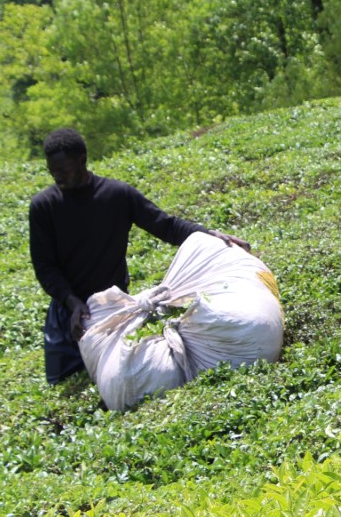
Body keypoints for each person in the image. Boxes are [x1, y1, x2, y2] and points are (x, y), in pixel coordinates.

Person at [29, 128, 250, 384]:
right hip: (68, 310)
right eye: (52, 171)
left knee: (114, 379)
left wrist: (209, 234)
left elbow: (166, 226)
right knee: (63, 381)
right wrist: (72, 302)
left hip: (112, 307)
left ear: (82, 160)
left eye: (64, 170)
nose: (58, 177)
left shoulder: (116, 195)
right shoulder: (44, 206)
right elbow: (45, 266)